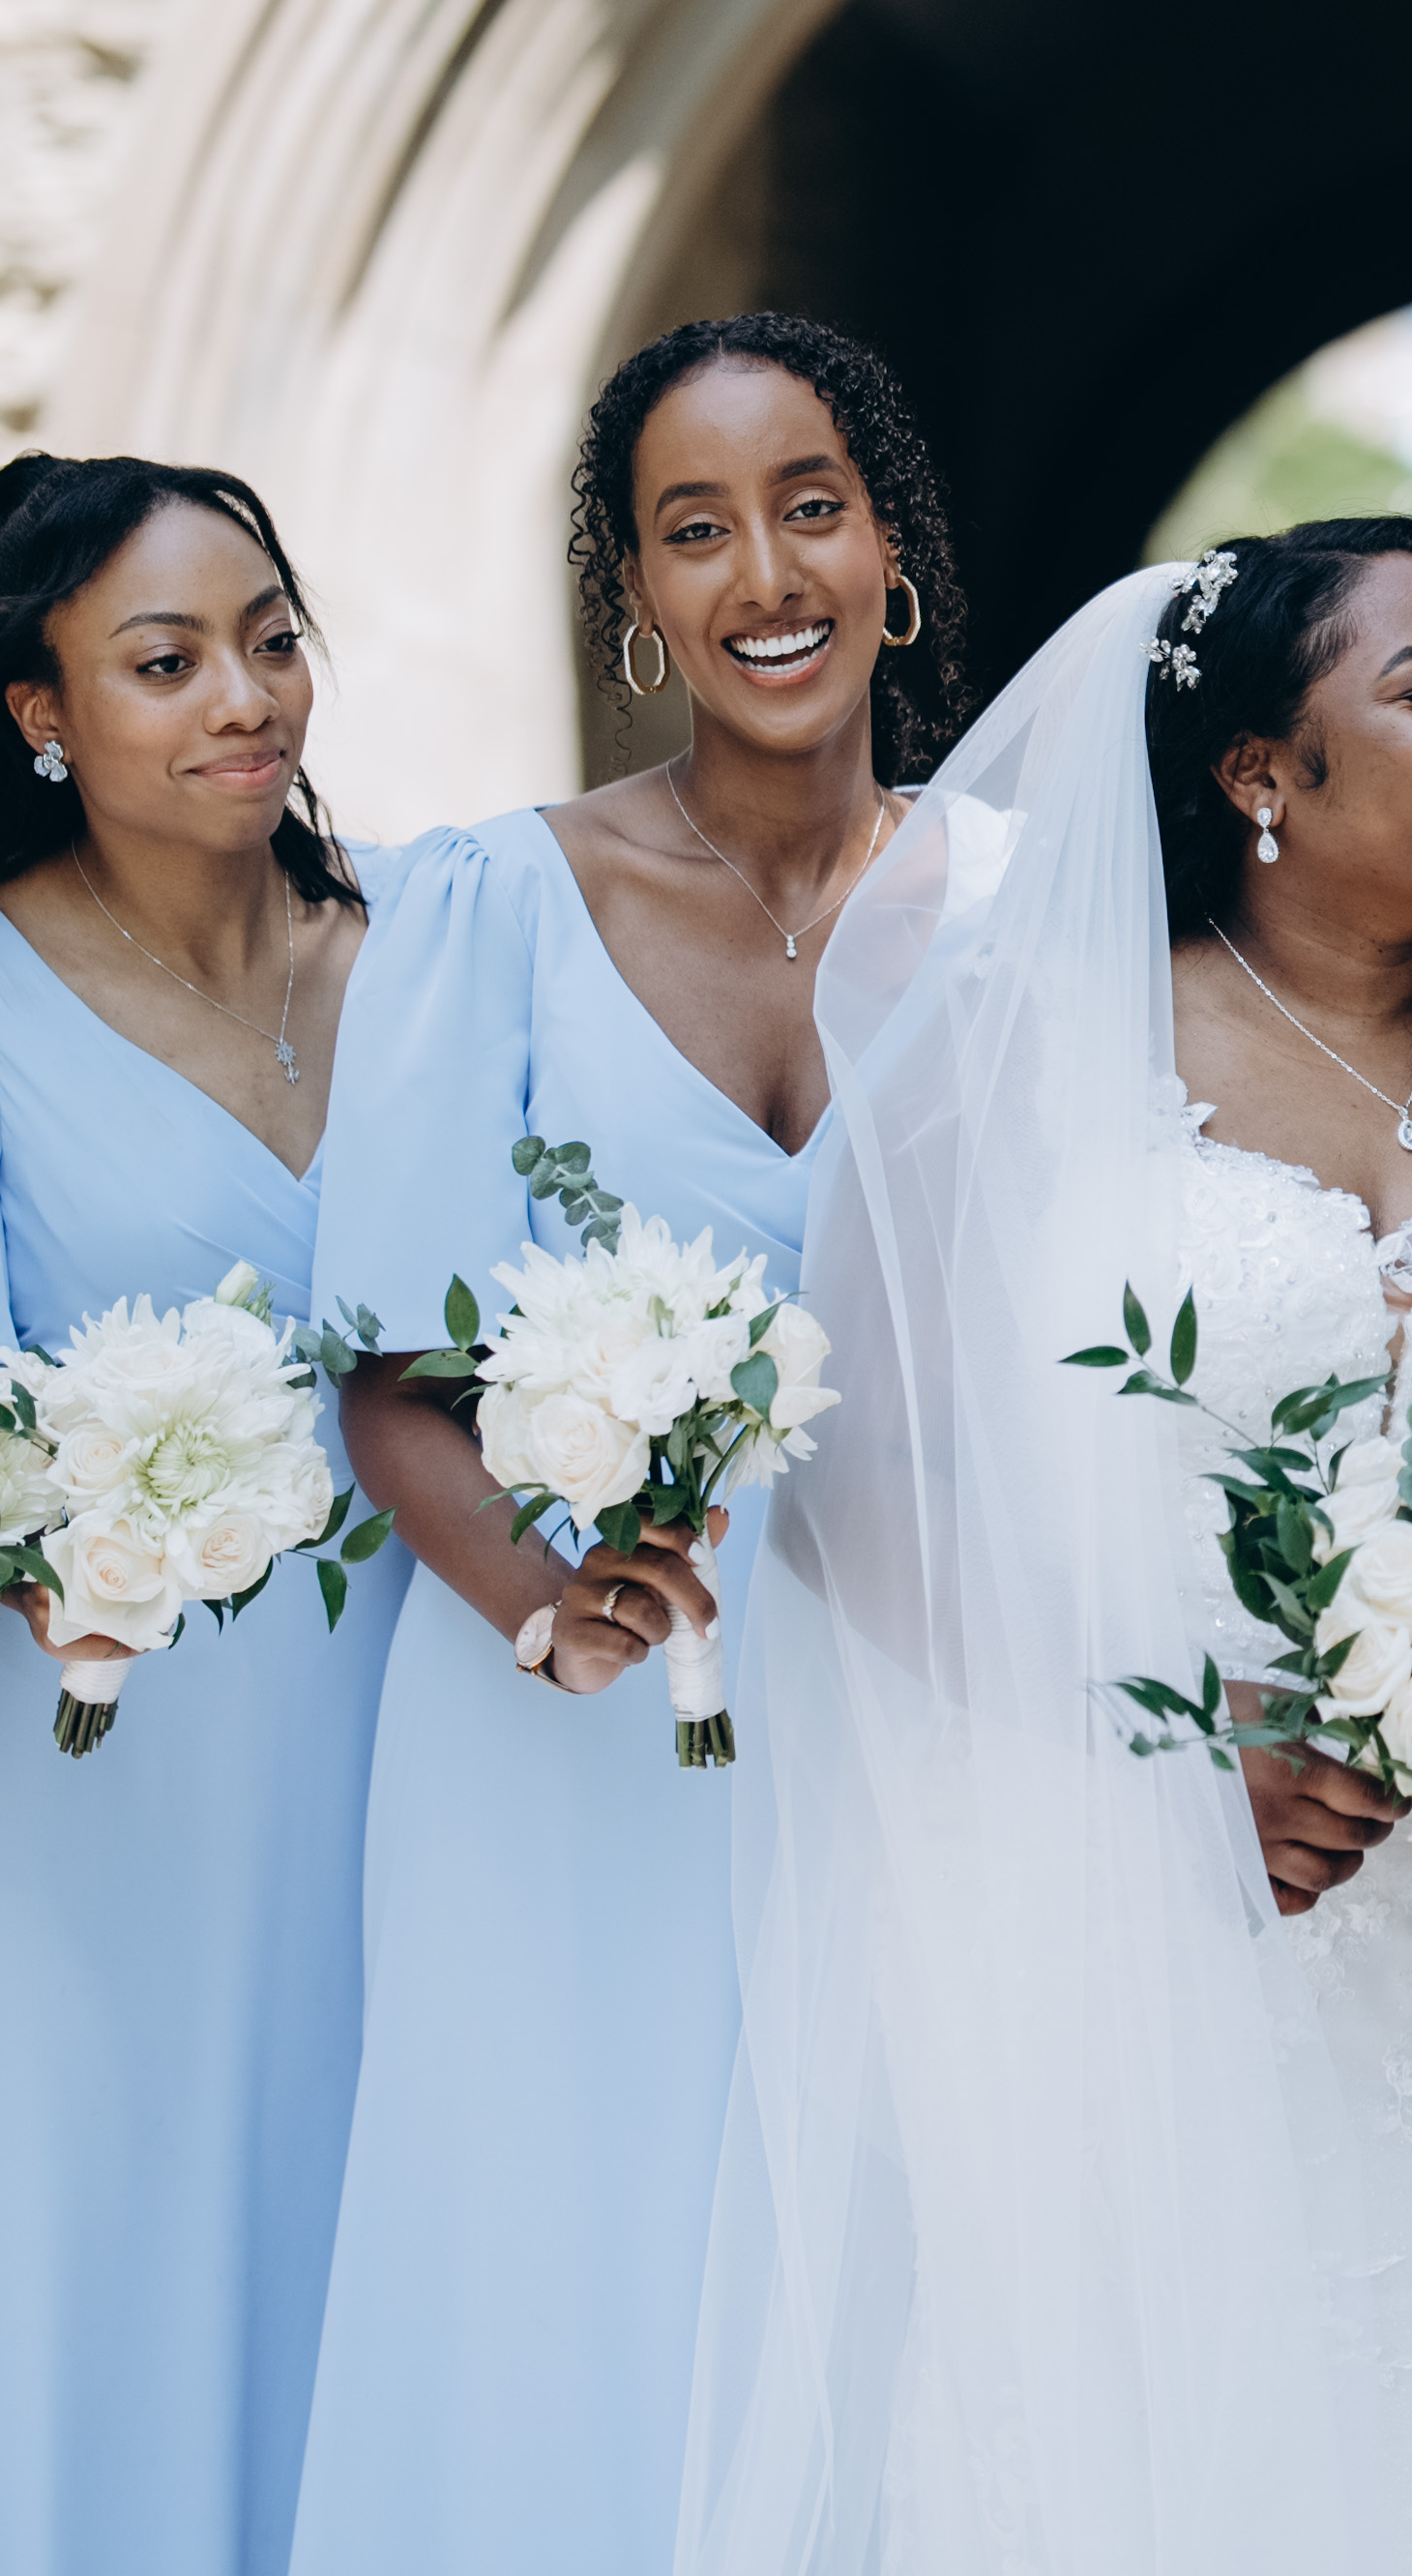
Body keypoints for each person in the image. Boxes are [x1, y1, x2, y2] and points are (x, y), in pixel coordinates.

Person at [687, 518, 1412, 2572]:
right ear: (1260, 772)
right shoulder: (1040, 1053)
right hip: (1141, 1923)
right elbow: (848, 1487)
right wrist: (1177, 1758)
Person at [290, 312, 965, 2576]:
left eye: (809, 509)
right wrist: (544, 1605)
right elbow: (389, 1369)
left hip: (908, 1708)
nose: (763, 575)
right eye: (694, 531)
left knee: (878, 2275)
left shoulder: (1022, 910)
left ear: (890, 553)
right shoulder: (487, 902)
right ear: (633, 602)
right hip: (563, 1729)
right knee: (558, 2274)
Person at [0, 455, 413, 2576]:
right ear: (40, 712)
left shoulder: (426, 949)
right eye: (165, 662)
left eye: (270, 641)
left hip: (414, 1744)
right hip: (92, 1776)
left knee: (375, 2262)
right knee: (86, 2293)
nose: (244, 697)